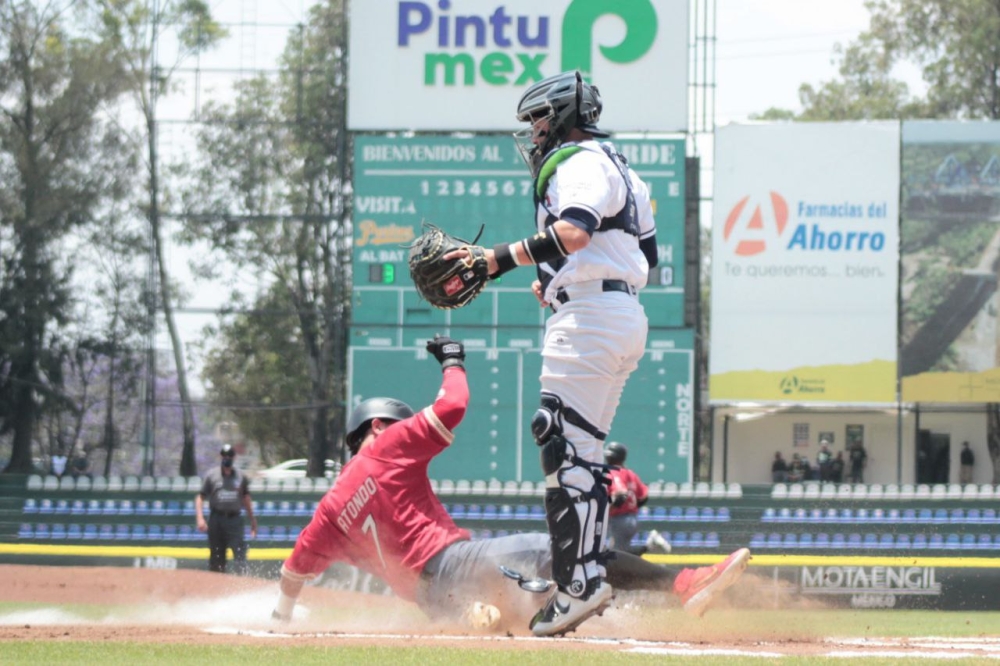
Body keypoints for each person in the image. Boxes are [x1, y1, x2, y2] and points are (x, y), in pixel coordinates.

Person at [272, 336, 750, 634]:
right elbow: (453, 404)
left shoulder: (331, 510)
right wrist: (452, 360)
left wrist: (281, 618)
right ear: (377, 426)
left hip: (428, 600)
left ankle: (477, 616)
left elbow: (293, 573)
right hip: (453, 564)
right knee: (569, 550)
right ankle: (685, 585)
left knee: (528, 598)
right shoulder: (386, 443)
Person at [446, 70, 659, 636]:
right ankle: (584, 579)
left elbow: (575, 233)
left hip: (592, 318)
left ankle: (578, 586)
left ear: (562, 116)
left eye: (538, 118)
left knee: (561, 444)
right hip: (619, 313)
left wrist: (495, 260)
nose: (534, 131)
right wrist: (561, 280)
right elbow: (645, 256)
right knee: (580, 453)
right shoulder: (623, 168)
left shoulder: (580, 162)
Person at [195, 444, 257, 574]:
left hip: (234, 519)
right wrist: (200, 518)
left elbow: (246, 498)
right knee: (217, 555)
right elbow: (200, 497)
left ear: (234, 457)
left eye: (229, 456)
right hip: (217, 518)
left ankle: (241, 582)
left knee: (239, 553)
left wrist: (252, 520)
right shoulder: (212, 476)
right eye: (224, 455)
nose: (227, 458)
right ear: (220, 457)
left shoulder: (240, 477)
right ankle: (217, 585)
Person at [604, 441, 670, 555]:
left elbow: (620, 495)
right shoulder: (630, 474)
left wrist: (608, 510)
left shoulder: (614, 472)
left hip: (619, 519)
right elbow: (644, 496)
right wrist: (631, 508)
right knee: (619, 553)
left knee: (618, 556)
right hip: (632, 518)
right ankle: (649, 545)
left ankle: (649, 545)